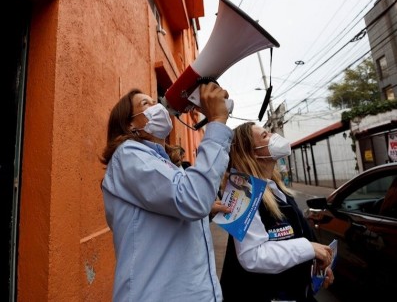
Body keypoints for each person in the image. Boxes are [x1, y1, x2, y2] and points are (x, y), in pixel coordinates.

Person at [100, 83, 232, 302]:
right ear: (130, 124)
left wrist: (205, 210)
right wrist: (217, 122)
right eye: (146, 104)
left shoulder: (165, 162)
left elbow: (172, 209)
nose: (156, 106)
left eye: (154, 101)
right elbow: (191, 198)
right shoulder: (128, 155)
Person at [217, 122, 334, 302]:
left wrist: (316, 265)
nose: (273, 136)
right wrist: (309, 248)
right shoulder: (240, 192)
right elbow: (251, 256)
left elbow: (296, 234)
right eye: (265, 136)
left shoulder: (276, 188)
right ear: (253, 153)